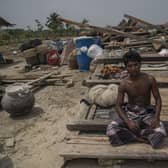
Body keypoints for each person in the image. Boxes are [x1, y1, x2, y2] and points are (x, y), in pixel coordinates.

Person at [106, 50, 167, 148]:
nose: (133, 68)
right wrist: (128, 122)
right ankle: (139, 138)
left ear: (140, 64)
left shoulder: (149, 79)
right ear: (126, 67)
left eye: (136, 65)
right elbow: (118, 106)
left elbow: (158, 100)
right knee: (111, 129)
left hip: (147, 113)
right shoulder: (124, 83)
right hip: (131, 113)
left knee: (161, 133)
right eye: (130, 66)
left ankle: (136, 135)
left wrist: (156, 118)